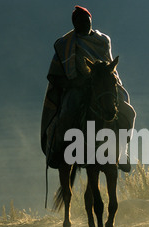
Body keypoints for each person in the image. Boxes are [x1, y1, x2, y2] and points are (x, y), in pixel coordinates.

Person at [40, 5, 135, 172]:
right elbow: (53, 75)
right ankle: (59, 150)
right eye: (80, 22)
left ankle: (122, 151)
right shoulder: (66, 44)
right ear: (74, 24)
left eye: (86, 20)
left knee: (128, 110)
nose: (84, 24)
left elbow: (108, 62)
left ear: (91, 20)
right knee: (69, 110)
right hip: (79, 86)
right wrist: (73, 83)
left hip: (103, 83)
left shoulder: (103, 40)